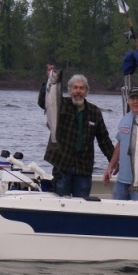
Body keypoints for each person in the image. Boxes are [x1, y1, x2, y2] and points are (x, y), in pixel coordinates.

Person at [38, 65, 114, 198]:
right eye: (75, 87)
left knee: (82, 204)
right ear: (69, 90)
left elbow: (104, 139)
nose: (78, 91)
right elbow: (42, 102)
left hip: (83, 167)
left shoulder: (94, 112)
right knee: (60, 204)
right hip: (62, 164)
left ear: (86, 91)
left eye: (81, 88)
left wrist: (113, 160)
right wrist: (48, 81)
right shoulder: (61, 104)